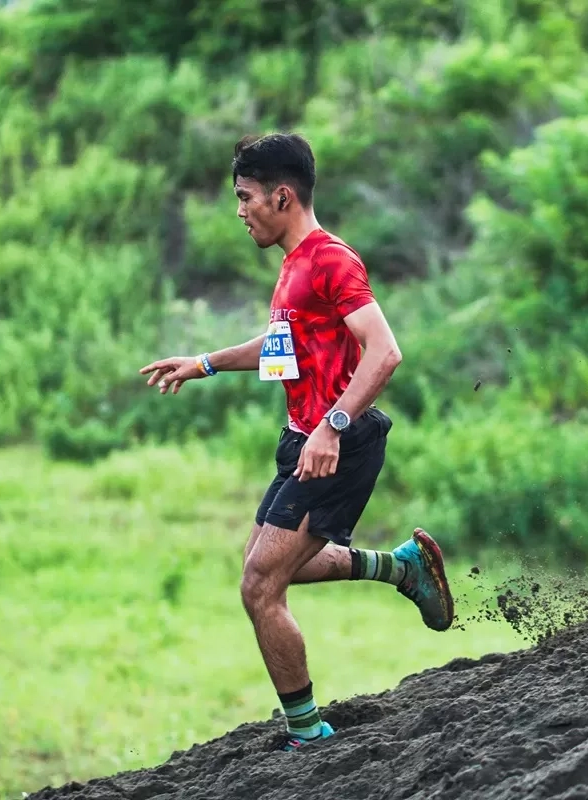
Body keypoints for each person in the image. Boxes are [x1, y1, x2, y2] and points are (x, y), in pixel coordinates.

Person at [138, 132, 455, 753]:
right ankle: (402, 567)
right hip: (302, 442)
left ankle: (309, 735)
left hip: (339, 441)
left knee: (260, 585)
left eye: (245, 197)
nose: (239, 211)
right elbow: (281, 349)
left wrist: (332, 427)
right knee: (278, 563)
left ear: (282, 196)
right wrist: (201, 363)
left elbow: (385, 352)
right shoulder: (293, 266)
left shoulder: (332, 259)